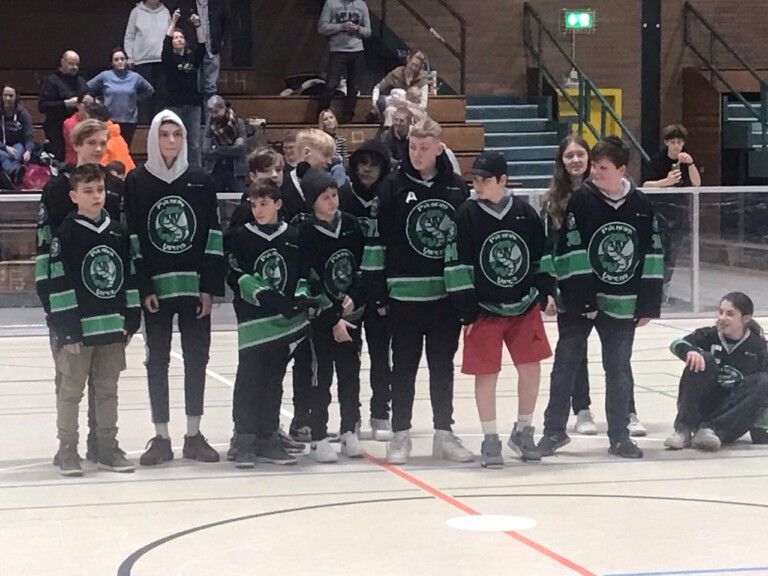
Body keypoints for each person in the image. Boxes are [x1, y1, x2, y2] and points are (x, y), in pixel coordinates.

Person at [539, 136, 664, 459]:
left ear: (621, 170)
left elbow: (652, 254)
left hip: (622, 303)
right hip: (580, 304)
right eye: (594, 166)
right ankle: (553, 431)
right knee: (565, 365)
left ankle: (620, 436)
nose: (594, 172)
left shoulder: (641, 206)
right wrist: (583, 301)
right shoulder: (581, 201)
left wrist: (648, 304)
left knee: (618, 368)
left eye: (602, 168)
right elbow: (570, 251)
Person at [365, 117, 472, 464]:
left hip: (444, 297)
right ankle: (401, 434)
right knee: (403, 368)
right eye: (412, 147)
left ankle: (444, 433)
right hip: (403, 297)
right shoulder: (391, 186)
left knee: (442, 367)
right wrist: (377, 291)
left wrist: (465, 296)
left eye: (424, 147)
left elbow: (465, 243)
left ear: (439, 148)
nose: (417, 153)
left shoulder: (456, 187)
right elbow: (376, 241)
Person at [124, 109, 225, 466]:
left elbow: (213, 235)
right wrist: (144, 287)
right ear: (154, 138)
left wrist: (209, 287)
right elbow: (133, 237)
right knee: (157, 360)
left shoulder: (201, 180)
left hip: (194, 290)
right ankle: (162, 437)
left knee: (197, 358)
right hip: (156, 291)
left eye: (177, 134)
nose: (171, 140)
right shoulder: (136, 182)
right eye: (164, 134)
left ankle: (194, 434)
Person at [446, 152, 555, 468]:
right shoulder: (465, 215)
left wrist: (546, 291)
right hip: (484, 309)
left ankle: (523, 429)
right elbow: (456, 264)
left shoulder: (525, 213)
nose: (477, 185)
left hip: (523, 306)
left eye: (485, 180)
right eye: (475, 179)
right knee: (486, 372)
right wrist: (466, 310)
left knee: (530, 366)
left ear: (503, 180)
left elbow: (541, 256)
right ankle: (490, 436)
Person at [37, 164, 140, 476]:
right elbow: (58, 281)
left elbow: (129, 275)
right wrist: (67, 329)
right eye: (88, 191)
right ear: (73, 196)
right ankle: (68, 449)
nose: (96, 196)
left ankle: (107, 448)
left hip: (111, 326)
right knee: (71, 392)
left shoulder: (118, 231)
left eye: (100, 190)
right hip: (79, 330)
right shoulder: (66, 234)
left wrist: (131, 318)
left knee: (108, 390)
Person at [226, 179, 312, 467]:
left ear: (278, 204)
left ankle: (268, 437)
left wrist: (299, 298)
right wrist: (269, 297)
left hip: (285, 323)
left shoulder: (294, 235)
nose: (258, 210)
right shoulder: (241, 236)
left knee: (274, 381)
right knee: (249, 380)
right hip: (254, 322)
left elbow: (303, 272)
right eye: (254, 204)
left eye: (263, 204)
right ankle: (244, 439)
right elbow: (236, 274)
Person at [298, 168, 366, 462]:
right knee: (321, 377)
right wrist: (331, 316)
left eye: (334, 195)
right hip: (321, 318)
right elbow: (308, 278)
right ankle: (318, 436)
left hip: (350, 315)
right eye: (324, 197)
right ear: (312, 201)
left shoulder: (350, 225)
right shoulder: (304, 231)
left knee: (350, 375)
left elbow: (362, 267)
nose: (331, 202)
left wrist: (355, 298)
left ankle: (350, 430)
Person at [664, 292, 768, 451]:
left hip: (730, 421)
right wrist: (690, 351)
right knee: (702, 359)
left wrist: (760, 429)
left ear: (745, 318)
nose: (722, 317)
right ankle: (683, 430)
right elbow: (676, 343)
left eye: (730, 314)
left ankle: (712, 430)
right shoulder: (709, 335)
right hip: (703, 408)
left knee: (763, 380)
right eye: (720, 312)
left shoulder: (757, 346)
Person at [346, 139, 393, 440]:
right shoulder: (342, 197)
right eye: (362, 163)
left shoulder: (390, 197)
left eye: (373, 164)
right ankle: (350, 417)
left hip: (379, 291)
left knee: (380, 356)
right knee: (348, 359)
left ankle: (381, 414)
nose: (367, 169)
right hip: (349, 291)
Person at [162, 8, 206, 167]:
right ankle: (174, 170)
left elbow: (202, 46)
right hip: (175, 106)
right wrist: (173, 22)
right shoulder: (169, 58)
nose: (179, 40)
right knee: (174, 142)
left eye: (181, 37)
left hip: (193, 107)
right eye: (176, 37)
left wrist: (197, 25)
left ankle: (195, 172)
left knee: (194, 144)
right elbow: (166, 45)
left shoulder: (191, 57)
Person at [317, 0, 372, 123]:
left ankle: (347, 120)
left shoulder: (361, 4)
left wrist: (358, 28)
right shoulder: (331, 3)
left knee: (354, 87)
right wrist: (341, 27)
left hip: (357, 50)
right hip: (337, 51)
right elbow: (322, 28)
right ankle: (321, 117)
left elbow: (368, 32)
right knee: (331, 85)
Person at [87, 47, 155, 147]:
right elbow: (86, 87)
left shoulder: (135, 77)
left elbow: (150, 90)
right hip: (109, 120)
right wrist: (96, 101)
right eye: (116, 60)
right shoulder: (105, 76)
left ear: (126, 60)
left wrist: (136, 99)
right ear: (112, 63)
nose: (120, 62)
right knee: (109, 148)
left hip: (129, 120)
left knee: (124, 148)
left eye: (122, 59)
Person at [169, 0, 229, 102]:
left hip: (212, 50)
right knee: (194, 85)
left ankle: (210, 112)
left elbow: (226, 23)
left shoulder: (218, 4)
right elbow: (179, 25)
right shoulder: (185, 4)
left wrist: (221, 41)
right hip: (192, 52)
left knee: (211, 87)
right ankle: (197, 111)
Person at [124, 0, 171, 124]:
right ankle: (143, 126)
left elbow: (170, 35)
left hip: (162, 61)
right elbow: (129, 36)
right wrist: (130, 56)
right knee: (144, 97)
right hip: (141, 62)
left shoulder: (165, 12)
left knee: (161, 96)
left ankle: (159, 125)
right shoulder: (136, 12)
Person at [38, 51, 89, 162]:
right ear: (62, 62)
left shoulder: (81, 81)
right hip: (58, 130)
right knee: (61, 161)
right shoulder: (51, 81)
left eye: (77, 64)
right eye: (71, 64)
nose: (75, 67)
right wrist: (65, 103)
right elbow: (42, 106)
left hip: (79, 129)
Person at [202, 95, 247, 192]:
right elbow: (205, 152)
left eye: (216, 112)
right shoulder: (210, 126)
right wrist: (232, 149)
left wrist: (216, 149)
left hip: (236, 171)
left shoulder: (238, 122)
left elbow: (241, 150)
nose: (213, 115)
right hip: (215, 169)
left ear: (223, 108)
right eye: (211, 112)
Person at [83, 102, 136, 173]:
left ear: (94, 120)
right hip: (126, 175)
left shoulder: (100, 140)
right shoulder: (117, 136)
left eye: (85, 118)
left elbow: (100, 168)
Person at [372, 50, 428, 117]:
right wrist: (374, 102)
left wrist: (406, 103)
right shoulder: (396, 73)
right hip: (395, 109)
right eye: (412, 64)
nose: (413, 68)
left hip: (413, 110)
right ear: (408, 60)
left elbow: (423, 107)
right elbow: (378, 87)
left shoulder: (422, 80)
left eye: (417, 66)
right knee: (390, 111)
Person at [0, 85, 34, 186]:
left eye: (11, 96)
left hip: (17, 144)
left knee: (16, 155)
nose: (8, 98)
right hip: (1, 146)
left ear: (16, 97)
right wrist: (5, 147)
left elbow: (29, 135)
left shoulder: (23, 113)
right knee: (3, 155)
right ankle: (14, 171)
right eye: (5, 95)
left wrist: (28, 151)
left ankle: (8, 175)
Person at [62, 93, 95, 166]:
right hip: (75, 163)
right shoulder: (69, 123)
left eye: (91, 104)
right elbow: (79, 145)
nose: (88, 106)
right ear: (78, 105)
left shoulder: (97, 121)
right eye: (85, 103)